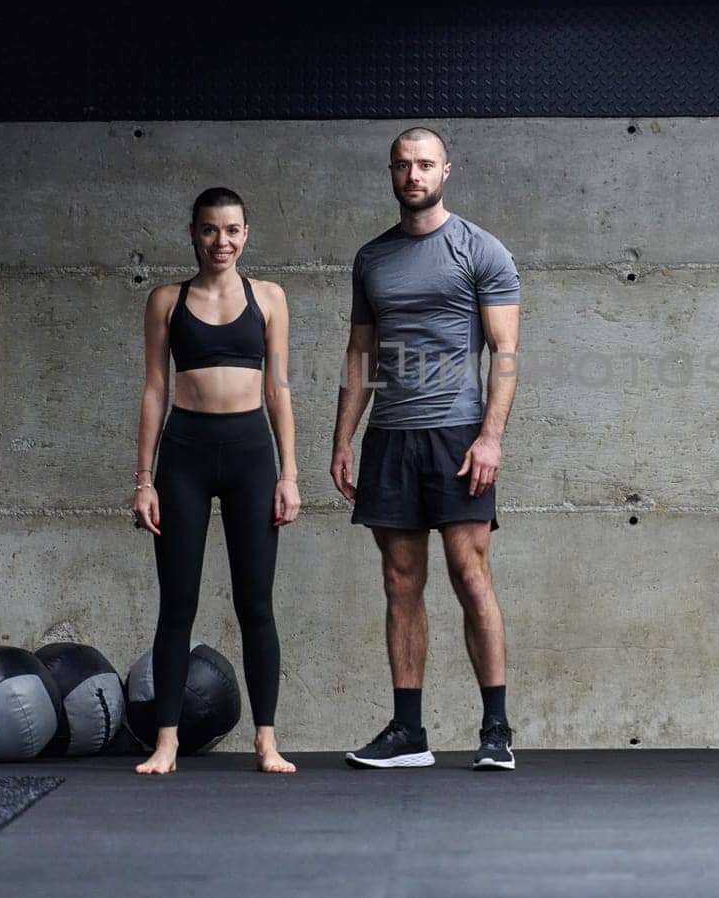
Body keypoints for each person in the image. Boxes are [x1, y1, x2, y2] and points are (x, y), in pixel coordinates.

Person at [331, 126, 521, 771]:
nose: (413, 175)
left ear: (447, 171)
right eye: (403, 165)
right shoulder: (372, 258)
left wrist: (490, 438)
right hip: (391, 436)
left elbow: (506, 354)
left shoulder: (480, 249)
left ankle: (496, 729)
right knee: (399, 582)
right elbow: (360, 355)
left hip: (457, 434)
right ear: (391, 173)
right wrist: (342, 440)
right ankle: (409, 733)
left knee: (470, 577)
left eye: (425, 165)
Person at [131, 187, 301, 775]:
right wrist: (143, 479)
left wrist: (290, 475)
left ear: (246, 233)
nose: (220, 242)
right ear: (193, 234)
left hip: (253, 454)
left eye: (231, 230)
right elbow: (155, 389)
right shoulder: (165, 301)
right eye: (209, 230)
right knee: (177, 604)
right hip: (185, 455)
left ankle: (266, 740)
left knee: (257, 603)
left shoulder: (271, 298)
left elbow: (279, 390)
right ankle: (168, 741)